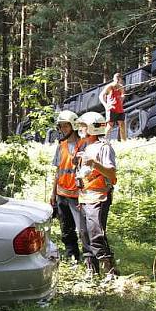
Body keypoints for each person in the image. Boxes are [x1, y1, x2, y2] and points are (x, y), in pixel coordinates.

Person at [75, 111, 118, 279]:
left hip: (98, 198)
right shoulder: (87, 147)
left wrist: (93, 163)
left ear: (92, 128)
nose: (80, 129)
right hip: (84, 197)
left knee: (96, 235)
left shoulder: (104, 147)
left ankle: (110, 273)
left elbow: (112, 174)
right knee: (84, 236)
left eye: (83, 126)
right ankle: (91, 272)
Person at [49, 110, 87, 263]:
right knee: (66, 229)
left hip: (78, 195)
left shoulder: (83, 144)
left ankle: (89, 259)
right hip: (62, 194)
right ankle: (72, 257)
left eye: (66, 126)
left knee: (83, 230)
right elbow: (58, 171)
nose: (63, 129)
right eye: (61, 126)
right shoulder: (61, 146)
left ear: (73, 126)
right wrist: (53, 194)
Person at [99, 73, 126, 141]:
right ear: (114, 79)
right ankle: (104, 140)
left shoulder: (121, 87)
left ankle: (124, 141)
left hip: (120, 109)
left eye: (118, 79)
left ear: (120, 80)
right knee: (110, 126)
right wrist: (105, 105)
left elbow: (123, 96)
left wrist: (121, 98)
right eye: (116, 78)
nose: (117, 80)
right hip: (111, 109)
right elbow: (101, 96)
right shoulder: (110, 87)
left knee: (122, 125)